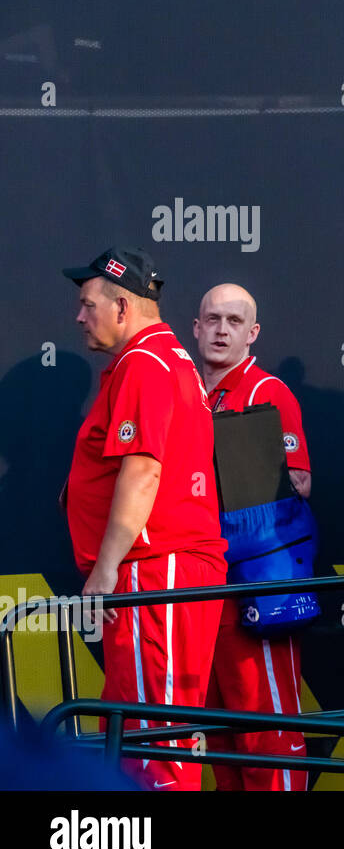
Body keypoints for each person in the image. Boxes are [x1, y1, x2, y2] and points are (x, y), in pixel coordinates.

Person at [62, 247, 226, 791]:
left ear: (124, 308)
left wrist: (105, 570)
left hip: (157, 571)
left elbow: (142, 473)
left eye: (88, 304)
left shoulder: (146, 363)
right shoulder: (163, 359)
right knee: (138, 732)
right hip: (159, 569)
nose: (79, 316)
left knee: (158, 741)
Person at [194, 283, 310, 791]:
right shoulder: (188, 392)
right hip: (203, 586)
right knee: (220, 739)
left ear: (252, 332)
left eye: (234, 322)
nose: (221, 330)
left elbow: (301, 482)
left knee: (268, 733)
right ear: (195, 328)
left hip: (256, 582)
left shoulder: (268, 391)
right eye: (213, 319)